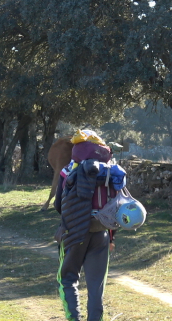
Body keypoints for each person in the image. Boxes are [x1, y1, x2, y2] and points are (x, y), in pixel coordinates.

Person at [53, 130, 117, 321]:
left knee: (67, 279)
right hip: (101, 232)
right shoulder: (108, 171)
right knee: (96, 285)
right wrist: (112, 237)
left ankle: (74, 318)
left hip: (74, 233)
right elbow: (114, 206)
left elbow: (58, 205)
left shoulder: (68, 170)